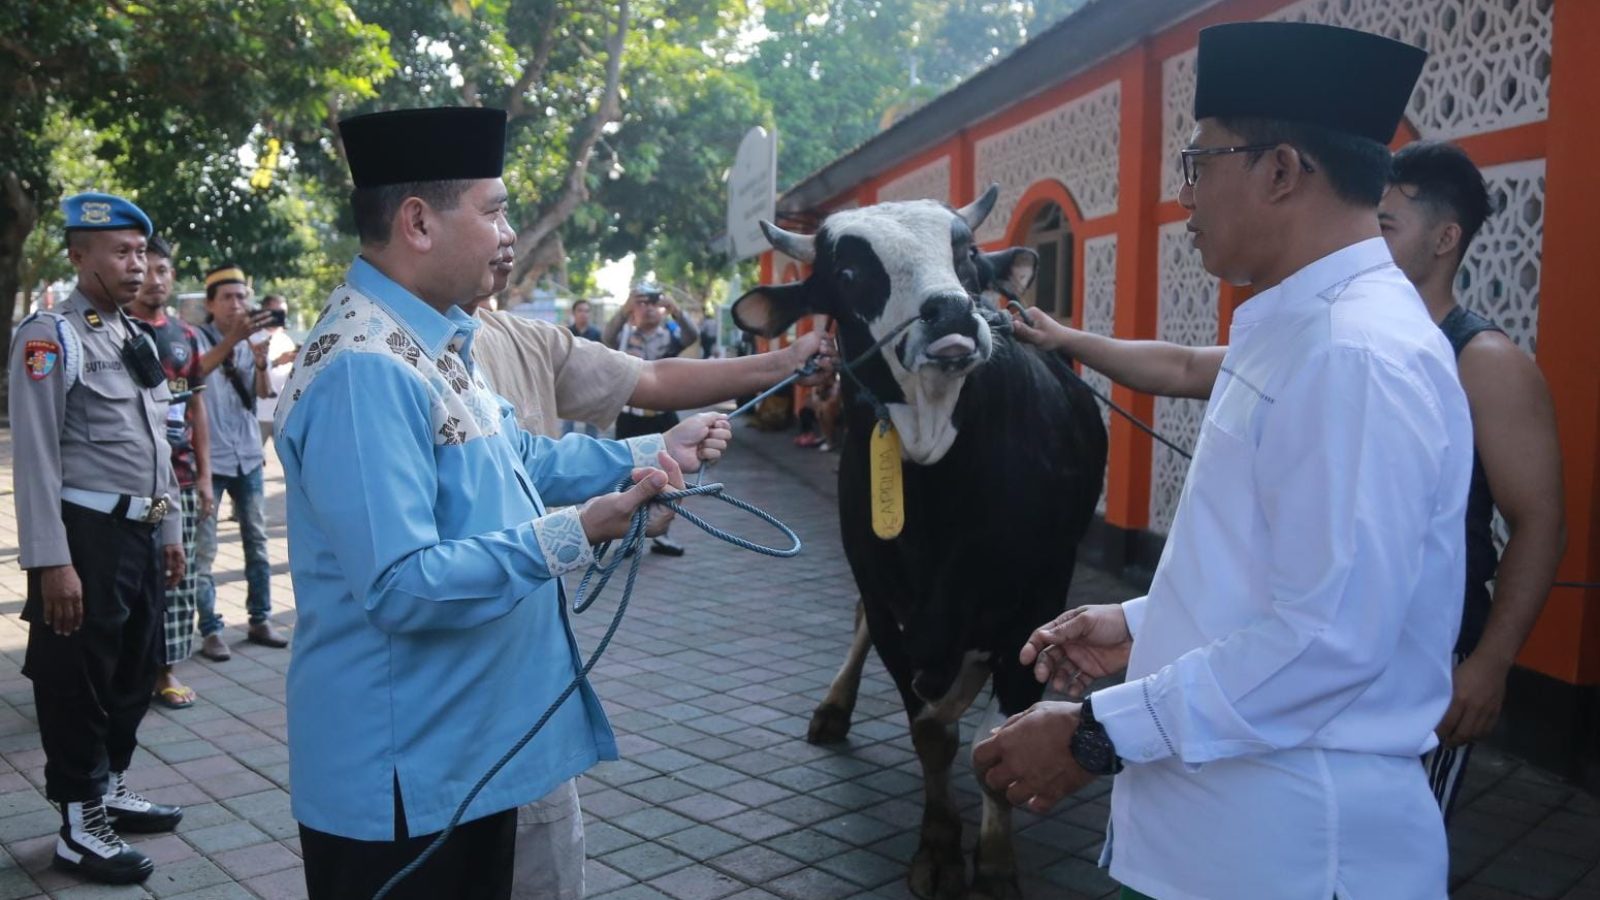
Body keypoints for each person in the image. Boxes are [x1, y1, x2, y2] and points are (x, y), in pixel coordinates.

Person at [973, 23, 1473, 900]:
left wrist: (1096, 734)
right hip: (1232, 842)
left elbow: (1327, 640)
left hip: (1296, 852)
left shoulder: (1354, 353)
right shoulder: (1297, 330)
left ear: (1281, 171)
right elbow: (1289, 573)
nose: (1185, 194)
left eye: (1200, 163)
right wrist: (1145, 618)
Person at [276, 105, 732, 899]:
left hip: (463, 758)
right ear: (418, 222)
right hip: (403, 782)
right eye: (493, 210)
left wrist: (648, 454)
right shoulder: (366, 368)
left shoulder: (432, 342)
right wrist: (575, 533)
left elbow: (516, 458)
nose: (507, 232)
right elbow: (401, 581)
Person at [1380, 141, 1565, 818]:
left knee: (1393, 856)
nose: (1364, 244)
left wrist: (1490, 665)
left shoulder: (1484, 360)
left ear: (1445, 238)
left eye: (1384, 227)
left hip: (1434, 658)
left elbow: (1540, 524)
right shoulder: (1361, 338)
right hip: (1347, 647)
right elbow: (1198, 366)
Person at [9, 192, 186, 884]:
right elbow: (35, 456)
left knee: (135, 669)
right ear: (79, 257)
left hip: (140, 534)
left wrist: (169, 527)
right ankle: (80, 826)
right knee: (77, 679)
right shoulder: (53, 336)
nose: (137, 264)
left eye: (141, 251)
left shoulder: (130, 336)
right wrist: (51, 561)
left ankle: (109, 787)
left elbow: (157, 440)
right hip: (85, 536)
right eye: (120, 251)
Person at [126, 234, 213, 710]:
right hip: (135, 483)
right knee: (136, 574)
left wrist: (203, 478)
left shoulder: (185, 336)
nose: (154, 278)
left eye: (163, 270)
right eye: (148, 268)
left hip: (178, 482)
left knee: (177, 576)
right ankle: (130, 670)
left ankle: (166, 673)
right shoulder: (120, 331)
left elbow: (197, 409)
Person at [192, 265, 287, 658]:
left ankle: (259, 618)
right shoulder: (194, 338)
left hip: (248, 453)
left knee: (257, 542)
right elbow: (192, 374)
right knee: (205, 549)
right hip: (210, 458)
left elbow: (258, 393)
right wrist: (233, 340)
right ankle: (211, 628)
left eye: (242, 297)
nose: (237, 304)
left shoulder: (251, 341)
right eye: (228, 298)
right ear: (210, 304)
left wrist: (261, 362)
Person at [602, 281, 700, 554]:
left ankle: (662, 533)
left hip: (661, 417)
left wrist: (675, 308)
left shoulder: (669, 336)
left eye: (654, 304)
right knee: (628, 476)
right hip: (631, 417)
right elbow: (606, 337)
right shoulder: (623, 338)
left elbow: (692, 335)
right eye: (643, 304)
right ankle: (629, 537)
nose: (649, 310)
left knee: (667, 475)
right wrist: (626, 309)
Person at [253, 293, 298, 447]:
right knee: (254, 460)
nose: (281, 317)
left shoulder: (286, 340)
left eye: (283, 313)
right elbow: (248, 371)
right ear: (264, 311)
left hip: (283, 414)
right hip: (258, 413)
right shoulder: (253, 338)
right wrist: (277, 361)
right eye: (277, 312)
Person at [560, 299, 603, 437]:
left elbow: (602, 358)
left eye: (587, 311)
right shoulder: (567, 332)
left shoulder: (596, 334)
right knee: (568, 424)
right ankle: (566, 453)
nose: (583, 314)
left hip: (591, 383)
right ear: (574, 313)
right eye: (580, 310)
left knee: (591, 425)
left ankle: (591, 453)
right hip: (570, 382)